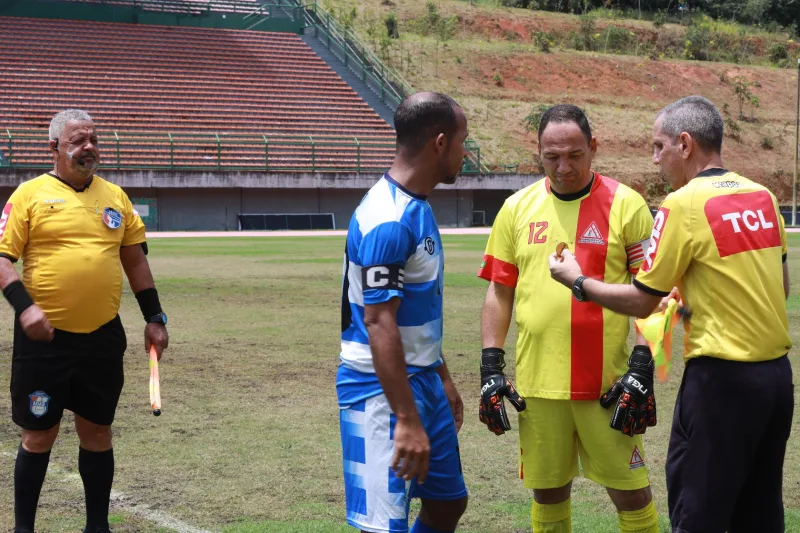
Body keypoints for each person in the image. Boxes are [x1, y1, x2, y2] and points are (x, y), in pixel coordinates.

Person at [549, 95, 794, 533]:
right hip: (777, 381)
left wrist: (578, 282)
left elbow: (643, 299)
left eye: (659, 146)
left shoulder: (681, 204)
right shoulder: (763, 197)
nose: (655, 158)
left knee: (696, 514)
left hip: (721, 382)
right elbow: (782, 289)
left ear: (685, 144)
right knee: (759, 513)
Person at [478, 104, 660, 533]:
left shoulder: (627, 205)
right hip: (538, 387)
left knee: (632, 493)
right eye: (552, 156)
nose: (563, 167)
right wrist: (490, 365)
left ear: (593, 148)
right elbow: (499, 291)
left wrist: (641, 366)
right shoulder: (516, 208)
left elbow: (656, 296)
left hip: (608, 386)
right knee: (548, 492)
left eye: (575, 155)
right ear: (538, 152)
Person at [0, 109, 169, 533]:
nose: (88, 147)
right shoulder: (29, 195)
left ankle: (97, 527)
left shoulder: (115, 197)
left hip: (101, 338)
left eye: (93, 140)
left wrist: (155, 317)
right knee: (39, 435)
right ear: (54, 147)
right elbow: (2, 260)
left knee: (98, 432)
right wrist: (26, 307)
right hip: (45, 342)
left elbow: (135, 262)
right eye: (78, 141)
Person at [337, 92, 469, 533]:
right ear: (439, 143)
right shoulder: (389, 219)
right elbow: (379, 322)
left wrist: (442, 376)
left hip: (423, 378)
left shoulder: (417, 206)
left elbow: (416, 313)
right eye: (462, 142)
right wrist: (407, 419)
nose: (464, 153)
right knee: (382, 526)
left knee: (448, 502)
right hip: (380, 392)